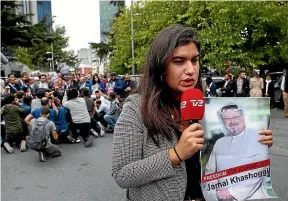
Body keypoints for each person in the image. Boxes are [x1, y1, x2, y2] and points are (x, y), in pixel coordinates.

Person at [111, 25, 273, 201]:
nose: (190, 70)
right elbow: (122, 174)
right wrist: (176, 154)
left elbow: (222, 155)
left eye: (194, 60)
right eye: (179, 61)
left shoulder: (202, 101)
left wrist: (256, 144)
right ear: (160, 67)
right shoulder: (136, 108)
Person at [204, 103, 273, 201]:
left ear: (243, 117)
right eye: (227, 119)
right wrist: (217, 189)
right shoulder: (219, 143)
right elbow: (209, 171)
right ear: (223, 121)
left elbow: (260, 171)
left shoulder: (258, 138)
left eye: (235, 116)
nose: (232, 121)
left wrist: (232, 192)